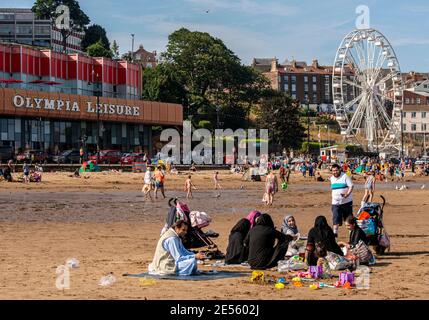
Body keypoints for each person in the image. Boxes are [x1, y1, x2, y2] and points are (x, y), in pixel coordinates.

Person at [330, 163, 354, 237]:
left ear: (340, 169)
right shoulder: (331, 178)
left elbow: (351, 186)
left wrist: (347, 194)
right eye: (333, 171)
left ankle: (351, 235)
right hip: (335, 203)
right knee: (335, 218)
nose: (335, 172)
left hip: (346, 202)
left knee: (348, 219)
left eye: (336, 170)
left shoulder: (345, 176)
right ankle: (335, 234)